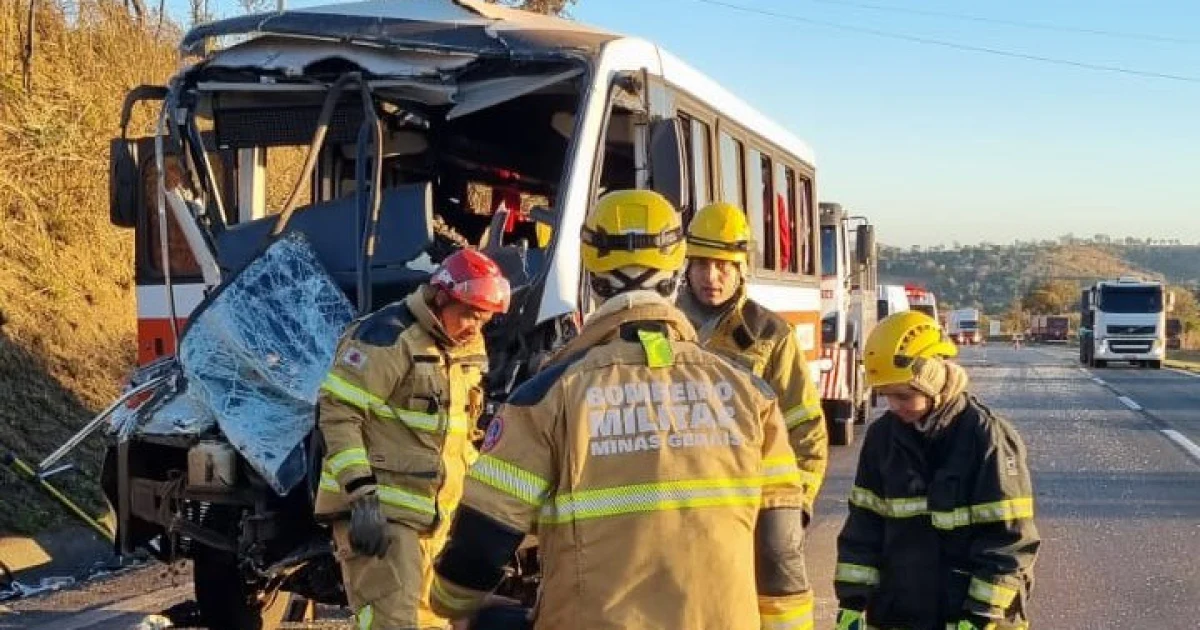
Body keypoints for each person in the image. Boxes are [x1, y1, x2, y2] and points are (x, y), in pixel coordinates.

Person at [428, 189, 811, 630]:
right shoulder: (752, 396)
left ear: (592, 274)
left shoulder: (547, 395)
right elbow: (781, 551)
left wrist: (451, 602)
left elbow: (483, 540)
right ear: (675, 276)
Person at [314, 249, 511, 630]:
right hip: (383, 514)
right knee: (395, 623)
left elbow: (463, 434)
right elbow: (339, 414)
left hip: (437, 517)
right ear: (441, 298)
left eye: (484, 319)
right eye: (469, 314)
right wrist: (362, 497)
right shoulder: (388, 338)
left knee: (435, 622)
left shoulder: (466, 348)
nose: (475, 327)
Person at [834, 311, 1040, 630]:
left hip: (971, 616)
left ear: (932, 380)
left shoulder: (987, 439)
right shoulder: (882, 439)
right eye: (885, 395)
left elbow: (1009, 541)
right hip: (898, 615)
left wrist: (980, 615)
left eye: (904, 395)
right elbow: (864, 526)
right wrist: (852, 601)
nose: (894, 406)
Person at [676, 201, 828, 621]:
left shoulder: (769, 335)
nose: (712, 277)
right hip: (674, 509)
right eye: (702, 264)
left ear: (742, 268)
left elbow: (805, 426)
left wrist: (796, 508)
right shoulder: (664, 326)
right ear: (686, 266)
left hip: (744, 510)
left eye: (724, 265)